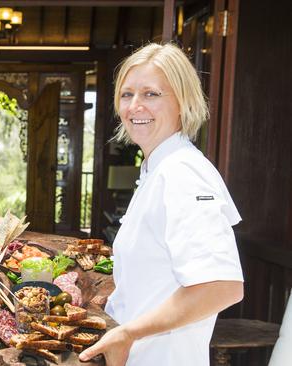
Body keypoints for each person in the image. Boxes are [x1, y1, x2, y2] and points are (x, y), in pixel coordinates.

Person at [79, 43, 244, 366]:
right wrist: (119, 299)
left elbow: (221, 286)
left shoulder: (182, 174)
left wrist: (127, 333)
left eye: (151, 94)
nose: (135, 106)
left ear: (183, 102)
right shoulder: (158, 168)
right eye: (127, 95)